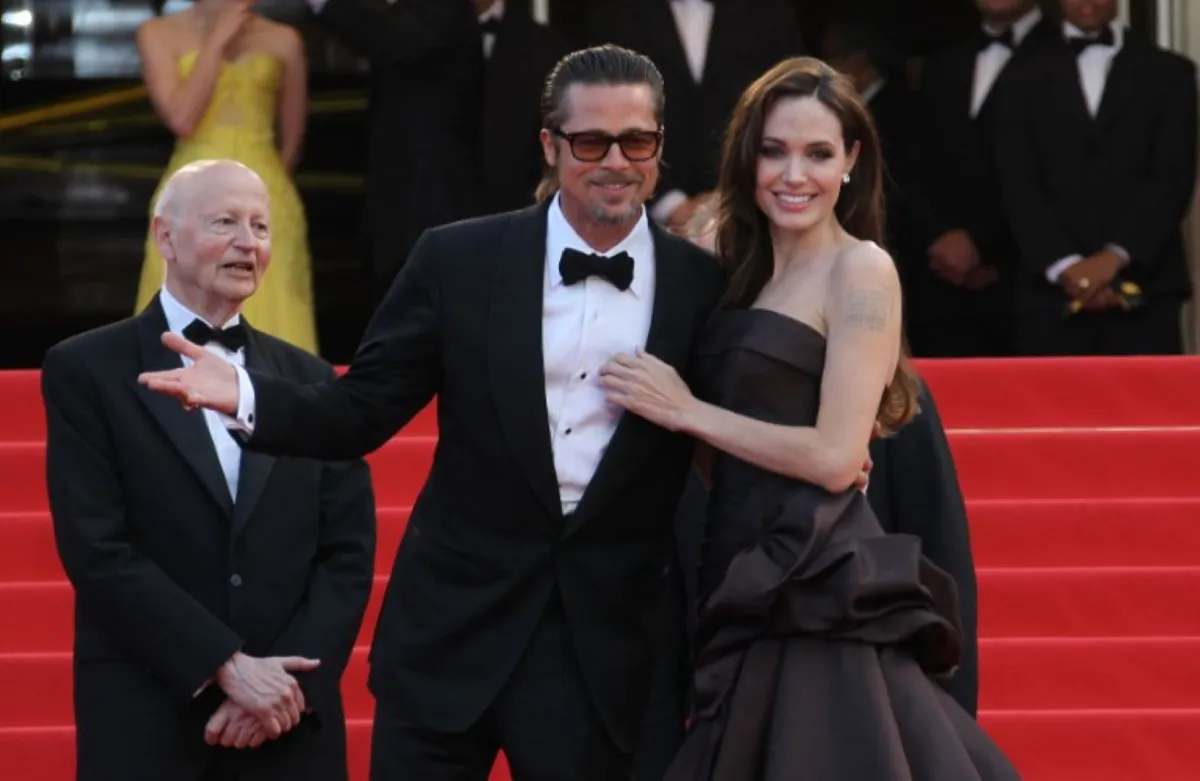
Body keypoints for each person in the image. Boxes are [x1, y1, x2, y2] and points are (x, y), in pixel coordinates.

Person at [135, 45, 732, 781]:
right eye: (590, 141)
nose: (616, 160)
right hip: (452, 630)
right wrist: (248, 394)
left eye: (636, 141)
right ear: (549, 144)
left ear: (659, 146)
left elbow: (733, 429)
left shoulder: (702, 285)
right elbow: (363, 411)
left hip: (607, 647)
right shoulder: (459, 260)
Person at [599, 57, 1016, 779]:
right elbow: (716, 443)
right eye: (774, 151)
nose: (795, 175)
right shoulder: (735, 267)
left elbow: (833, 456)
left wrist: (689, 410)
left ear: (852, 160)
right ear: (747, 157)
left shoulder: (863, 269)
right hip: (734, 562)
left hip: (816, 572)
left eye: (819, 153)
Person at [42, 160, 376, 781]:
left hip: (287, 718)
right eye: (225, 222)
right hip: (149, 711)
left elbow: (347, 554)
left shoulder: (310, 380)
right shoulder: (86, 369)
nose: (249, 243)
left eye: (261, 226)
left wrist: (280, 685)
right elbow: (98, 549)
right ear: (164, 236)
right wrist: (226, 665)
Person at [995, 0, 1197, 355]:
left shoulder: (1172, 73)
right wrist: (1066, 266)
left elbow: (1172, 177)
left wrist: (1114, 257)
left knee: (1149, 409)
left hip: (1146, 290)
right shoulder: (1016, 75)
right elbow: (1016, 182)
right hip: (1047, 294)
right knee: (1052, 409)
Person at [134, 0, 318, 353]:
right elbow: (182, 118)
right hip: (190, 193)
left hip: (267, 194)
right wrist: (218, 40)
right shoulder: (156, 33)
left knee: (275, 315)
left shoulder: (284, 39)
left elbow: (292, 143)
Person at [903, 0, 1057, 357]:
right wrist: (938, 238)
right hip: (941, 282)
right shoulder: (944, 62)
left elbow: (1063, 175)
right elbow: (913, 163)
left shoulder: (1064, 55)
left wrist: (984, 246)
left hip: (1029, 282)